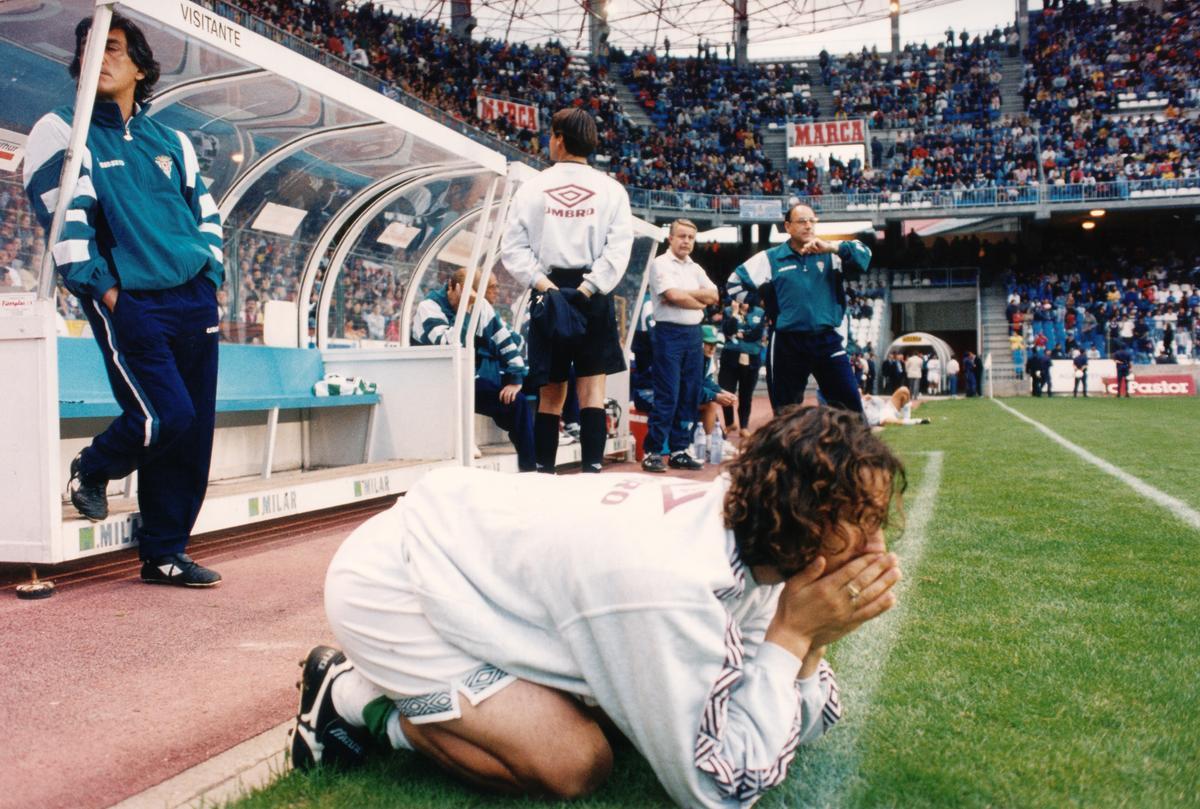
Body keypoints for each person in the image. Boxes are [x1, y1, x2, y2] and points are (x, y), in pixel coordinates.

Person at [290, 406, 904, 808]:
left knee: (624, 717)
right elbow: (718, 787)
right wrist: (795, 635)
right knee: (574, 761)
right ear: (804, 521)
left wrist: (810, 638)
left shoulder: (747, 534)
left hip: (472, 560)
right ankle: (352, 697)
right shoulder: (673, 582)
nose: (878, 547)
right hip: (395, 585)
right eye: (865, 523)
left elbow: (797, 723)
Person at [24, 14, 224, 586]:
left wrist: (208, 277)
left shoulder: (174, 141)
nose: (98, 58)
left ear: (140, 65)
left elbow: (205, 217)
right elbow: (64, 223)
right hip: (130, 298)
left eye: (111, 48)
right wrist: (109, 294)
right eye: (87, 49)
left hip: (193, 299)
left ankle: (165, 553)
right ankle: (92, 467)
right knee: (164, 416)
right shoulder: (60, 129)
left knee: (193, 432)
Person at [501, 108, 633, 474]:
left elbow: (512, 248)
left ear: (558, 138)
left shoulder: (533, 187)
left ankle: (545, 471)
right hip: (593, 294)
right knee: (592, 391)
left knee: (551, 392)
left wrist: (547, 287)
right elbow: (619, 248)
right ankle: (592, 469)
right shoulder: (612, 189)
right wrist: (590, 288)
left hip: (549, 292)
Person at [727, 204, 871, 414]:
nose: (808, 225)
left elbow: (864, 256)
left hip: (826, 338)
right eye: (802, 221)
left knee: (849, 406)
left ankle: (854, 447)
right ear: (788, 226)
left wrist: (832, 247)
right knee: (786, 410)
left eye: (812, 221)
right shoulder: (771, 258)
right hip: (787, 341)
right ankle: (789, 447)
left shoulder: (830, 253)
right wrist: (763, 302)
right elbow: (734, 283)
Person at [412, 269, 534, 472]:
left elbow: (504, 341)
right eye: (467, 298)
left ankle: (530, 469)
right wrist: (467, 310)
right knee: (481, 388)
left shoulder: (481, 306)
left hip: (467, 379)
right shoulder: (428, 307)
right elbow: (451, 344)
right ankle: (463, 443)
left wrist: (515, 378)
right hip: (436, 381)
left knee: (516, 402)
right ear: (452, 287)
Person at [641, 219, 717, 473]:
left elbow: (714, 295)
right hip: (668, 334)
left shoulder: (694, 267)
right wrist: (698, 299)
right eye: (681, 236)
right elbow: (672, 296)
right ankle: (652, 451)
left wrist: (687, 296)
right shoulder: (660, 264)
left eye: (690, 238)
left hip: (693, 335)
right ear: (670, 239)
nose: (686, 241)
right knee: (668, 393)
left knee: (689, 393)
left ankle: (679, 449)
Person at [718, 299, 765, 437]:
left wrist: (742, 334)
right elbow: (728, 331)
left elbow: (757, 334)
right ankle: (730, 423)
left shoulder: (759, 312)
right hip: (730, 356)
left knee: (746, 394)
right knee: (726, 391)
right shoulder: (728, 311)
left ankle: (744, 426)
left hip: (752, 357)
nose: (742, 301)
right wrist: (734, 314)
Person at [697, 324, 738, 446]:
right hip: (677, 397)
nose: (712, 348)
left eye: (715, 344)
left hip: (689, 395)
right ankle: (710, 444)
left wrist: (722, 392)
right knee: (711, 403)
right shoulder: (693, 358)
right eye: (709, 344)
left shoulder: (707, 358)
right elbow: (692, 387)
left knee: (712, 401)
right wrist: (715, 396)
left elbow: (707, 381)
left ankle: (717, 441)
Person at [862, 387, 930, 428]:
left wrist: (872, 397)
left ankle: (907, 417)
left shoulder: (865, 399)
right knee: (886, 421)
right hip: (881, 419)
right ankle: (916, 421)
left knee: (904, 390)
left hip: (886, 409)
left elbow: (881, 403)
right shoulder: (855, 406)